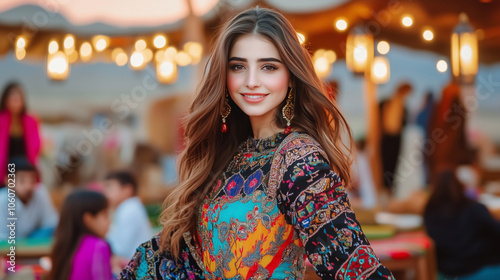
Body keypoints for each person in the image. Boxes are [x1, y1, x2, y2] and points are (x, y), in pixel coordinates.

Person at [120, 7, 393, 280]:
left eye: (268, 67)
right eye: (238, 66)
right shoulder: (228, 154)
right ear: (224, 77)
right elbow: (174, 258)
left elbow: (356, 268)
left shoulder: (298, 160)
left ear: (290, 77)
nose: (251, 82)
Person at [424, 169, 500, 279]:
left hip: (446, 273)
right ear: (460, 185)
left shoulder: (429, 211)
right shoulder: (474, 208)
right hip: (478, 270)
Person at [49, 190, 115, 280]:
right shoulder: (98, 246)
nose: (109, 221)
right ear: (88, 219)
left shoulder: (66, 246)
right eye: (105, 215)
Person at [0, 157, 58, 240]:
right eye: (22, 181)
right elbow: (2, 237)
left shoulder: (40, 192)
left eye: (32, 180)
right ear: (9, 181)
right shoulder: (1, 200)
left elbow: (51, 223)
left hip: (34, 241)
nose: (28, 186)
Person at [103, 171, 153, 260]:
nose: (106, 193)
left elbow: (121, 248)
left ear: (127, 190)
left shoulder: (129, 209)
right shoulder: (128, 207)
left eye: (110, 188)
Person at [0, 82, 41, 187]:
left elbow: (36, 146)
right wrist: (4, 176)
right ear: (6, 100)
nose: (16, 103)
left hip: (25, 168)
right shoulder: (2, 120)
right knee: (8, 200)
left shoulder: (30, 121)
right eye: (13, 99)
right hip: (5, 168)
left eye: (18, 99)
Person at [378, 82, 412, 192]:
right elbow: (389, 125)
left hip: (395, 140)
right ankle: (386, 188)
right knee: (388, 164)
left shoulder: (401, 105)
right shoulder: (388, 103)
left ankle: (390, 188)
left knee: (394, 165)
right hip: (389, 140)